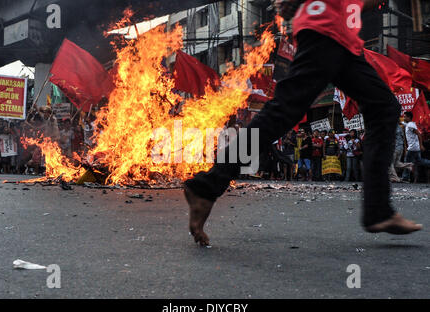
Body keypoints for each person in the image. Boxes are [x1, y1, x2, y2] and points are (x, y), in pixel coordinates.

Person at [184, 0, 422, 247]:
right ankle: (207, 185)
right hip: (325, 30)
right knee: (284, 111)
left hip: (344, 41)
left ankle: (378, 210)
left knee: (384, 108)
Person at [401, 111, 430, 183]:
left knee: (407, 161)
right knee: (419, 161)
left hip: (413, 148)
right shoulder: (409, 124)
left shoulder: (411, 125)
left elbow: (419, 134)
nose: (404, 118)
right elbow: (403, 123)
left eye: (405, 117)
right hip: (415, 147)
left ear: (409, 117)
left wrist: (421, 145)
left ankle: (405, 178)